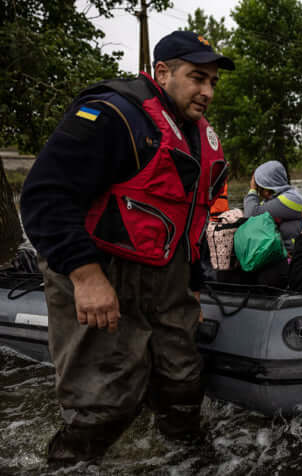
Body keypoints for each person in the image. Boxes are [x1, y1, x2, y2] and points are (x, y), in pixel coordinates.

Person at [20, 30, 234, 464]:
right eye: (197, 78)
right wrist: (85, 276)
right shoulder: (112, 116)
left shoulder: (197, 135)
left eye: (212, 82)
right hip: (103, 269)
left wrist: (191, 282)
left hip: (166, 277)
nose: (207, 92)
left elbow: (190, 217)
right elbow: (43, 195)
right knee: (104, 403)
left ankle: (186, 460)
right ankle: (68, 463)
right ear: (162, 72)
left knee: (182, 380)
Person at [243, 160, 302, 253]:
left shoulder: (290, 199)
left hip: (293, 255)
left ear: (266, 186)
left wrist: (252, 190)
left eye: (259, 187)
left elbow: (250, 215)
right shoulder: (281, 197)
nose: (259, 192)